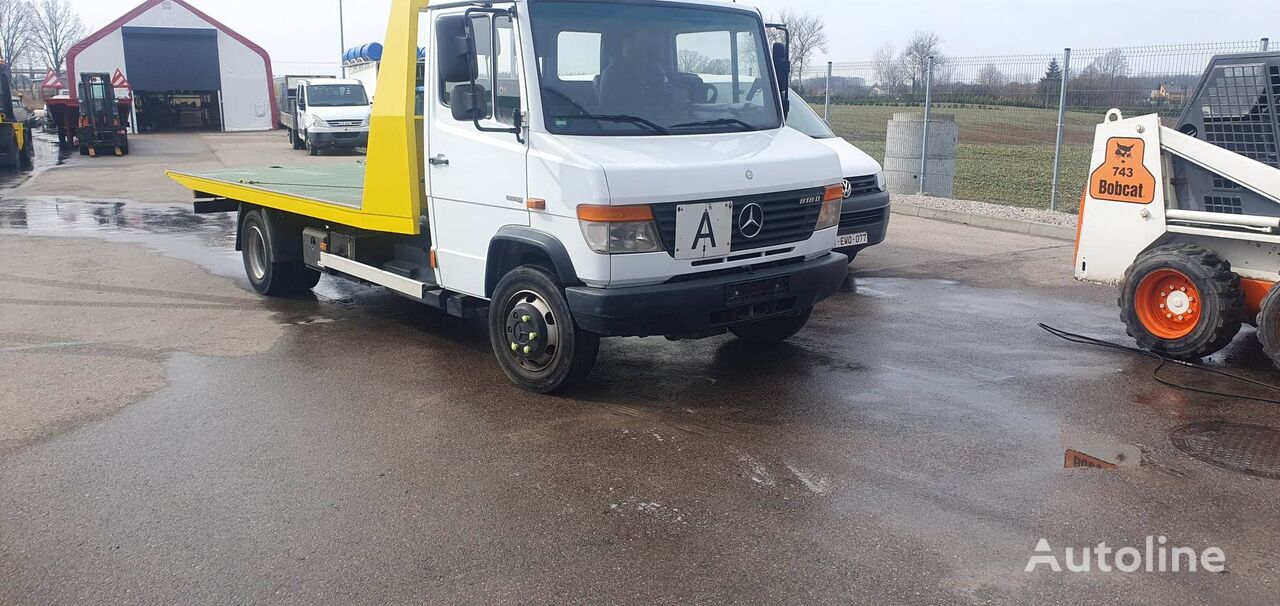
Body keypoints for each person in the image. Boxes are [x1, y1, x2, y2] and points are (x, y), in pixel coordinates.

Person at [598, 30, 669, 116]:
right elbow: (608, 110)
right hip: (623, 125)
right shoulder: (611, 73)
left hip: (658, 125)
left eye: (645, 41)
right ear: (626, 42)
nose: (643, 45)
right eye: (639, 40)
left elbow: (663, 102)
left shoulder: (655, 70)